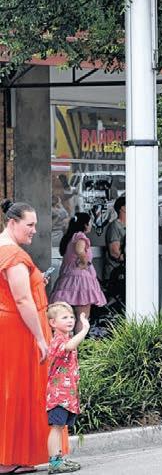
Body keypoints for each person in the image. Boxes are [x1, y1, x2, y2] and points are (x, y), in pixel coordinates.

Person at [0, 200, 63, 474]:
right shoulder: (12, 254)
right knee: (19, 392)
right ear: (12, 223)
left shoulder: (5, 249)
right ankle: (8, 459)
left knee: (12, 391)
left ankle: (12, 457)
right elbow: (22, 299)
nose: (34, 230)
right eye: (30, 225)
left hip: (12, 326)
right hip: (20, 330)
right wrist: (40, 337)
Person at [46, 302, 87, 474]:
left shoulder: (66, 338)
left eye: (72, 317)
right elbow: (70, 347)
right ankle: (55, 463)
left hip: (66, 395)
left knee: (60, 427)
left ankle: (59, 459)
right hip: (58, 395)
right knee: (56, 427)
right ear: (53, 323)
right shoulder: (58, 340)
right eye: (64, 317)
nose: (70, 320)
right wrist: (84, 330)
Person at [51, 213, 107, 334]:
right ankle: (79, 343)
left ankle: (63, 342)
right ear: (85, 224)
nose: (91, 225)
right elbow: (80, 250)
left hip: (68, 279)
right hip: (81, 280)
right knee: (82, 317)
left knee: (65, 316)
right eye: (90, 222)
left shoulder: (70, 237)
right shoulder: (80, 236)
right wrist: (84, 262)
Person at [104, 195, 126, 304]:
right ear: (122, 208)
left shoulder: (132, 226)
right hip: (115, 275)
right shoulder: (115, 226)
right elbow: (114, 252)